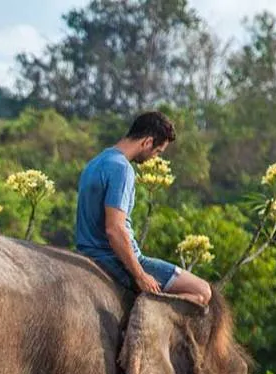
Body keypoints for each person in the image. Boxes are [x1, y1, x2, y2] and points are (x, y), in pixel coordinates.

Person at [75, 111, 212, 306]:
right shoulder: (121, 168)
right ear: (147, 142)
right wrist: (140, 275)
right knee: (201, 292)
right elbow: (114, 229)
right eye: (158, 152)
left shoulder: (94, 163)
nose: (154, 158)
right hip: (113, 261)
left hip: (85, 253)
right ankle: (142, 318)